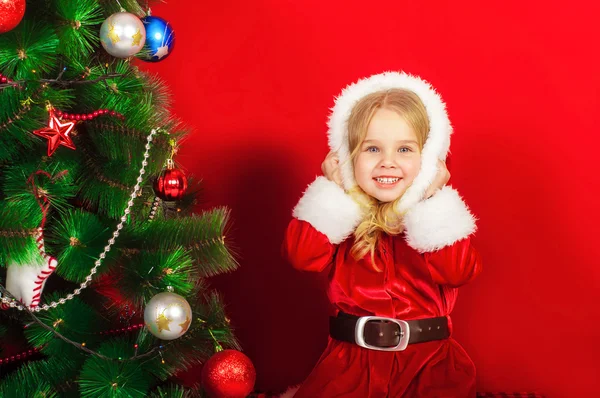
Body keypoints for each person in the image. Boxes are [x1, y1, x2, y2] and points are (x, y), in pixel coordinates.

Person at [282, 71, 482, 397]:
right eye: (372, 149)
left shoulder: (436, 219)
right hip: (349, 368)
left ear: (429, 159)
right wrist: (332, 191)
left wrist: (433, 198)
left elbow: (458, 270)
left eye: (405, 150)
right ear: (348, 158)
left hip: (430, 369)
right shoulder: (341, 220)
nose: (387, 163)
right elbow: (301, 256)